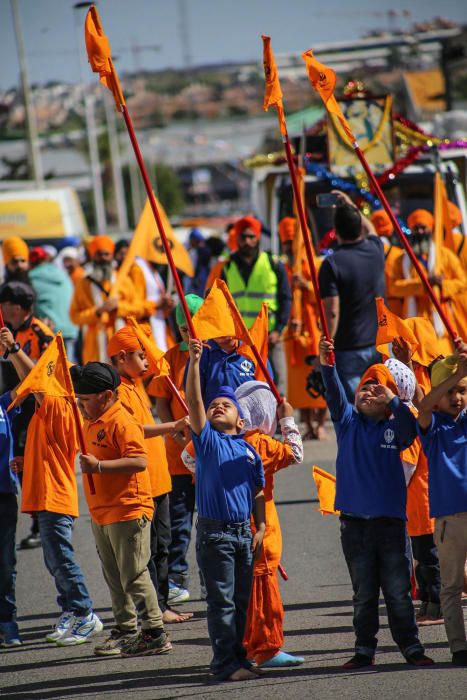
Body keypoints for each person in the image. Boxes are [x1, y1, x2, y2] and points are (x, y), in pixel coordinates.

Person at [319, 335, 434, 668]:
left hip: (391, 524)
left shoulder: (395, 426)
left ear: (388, 399)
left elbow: (412, 429)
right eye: (364, 387)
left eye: (376, 389)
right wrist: (328, 365)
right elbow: (335, 392)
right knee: (364, 593)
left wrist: (395, 401)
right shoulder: (347, 422)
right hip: (354, 525)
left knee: (398, 592)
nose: (367, 391)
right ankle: (364, 649)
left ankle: (411, 647)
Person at [1, 327, 102, 646]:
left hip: (55, 496)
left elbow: (36, 381)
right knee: (53, 559)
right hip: (46, 494)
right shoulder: (51, 408)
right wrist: (25, 461)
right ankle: (72, 610)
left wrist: (14, 349)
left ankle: (85, 612)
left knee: (62, 558)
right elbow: (46, 447)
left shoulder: (60, 405)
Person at [71, 361, 170, 657]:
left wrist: (99, 467)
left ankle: (154, 631)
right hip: (102, 511)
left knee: (134, 574)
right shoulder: (89, 420)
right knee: (114, 576)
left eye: (85, 400)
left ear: (107, 395)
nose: (80, 404)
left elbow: (139, 461)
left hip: (128, 509)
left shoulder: (120, 421)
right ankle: (126, 629)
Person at [186, 339, 266, 681]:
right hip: (215, 533)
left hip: (243, 534)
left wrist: (260, 527)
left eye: (226, 405)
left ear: (241, 420)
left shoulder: (250, 452)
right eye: (214, 404)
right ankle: (224, 665)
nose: (218, 407)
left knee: (241, 602)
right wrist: (194, 364)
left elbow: (258, 492)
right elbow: (194, 402)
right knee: (222, 603)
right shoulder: (207, 441)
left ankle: (239, 656)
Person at [107, 326, 192, 624]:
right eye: (140, 356)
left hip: (160, 479)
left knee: (163, 546)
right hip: (144, 485)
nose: (146, 362)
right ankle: (156, 609)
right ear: (121, 358)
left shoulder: (135, 383)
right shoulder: (117, 389)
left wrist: (142, 335)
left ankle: (163, 603)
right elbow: (135, 430)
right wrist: (172, 426)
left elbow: (157, 365)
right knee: (153, 550)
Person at [148, 294, 204, 605]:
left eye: (194, 326)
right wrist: (179, 438)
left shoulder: (214, 356)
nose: (189, 333)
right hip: (180, 457)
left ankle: (211, 578)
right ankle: (177, 578)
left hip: (213, 456)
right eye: (183, 328)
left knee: (212, 522)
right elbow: (161, 403)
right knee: (179, 522)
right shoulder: (169, 359)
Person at [416, 348, 467, 666]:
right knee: (450, 585)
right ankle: (459, 647)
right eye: (448, 391)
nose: (457, 397)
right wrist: (458, 373)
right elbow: (421, 405)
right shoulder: (433, 426)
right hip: (449, 517)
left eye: (462, 391)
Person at [207, 215, 292, 395]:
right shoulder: (227, 266)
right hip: (240, 338)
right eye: (243, 237)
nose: (247, 241)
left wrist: (279, 329)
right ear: (236, 238)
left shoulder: (273, 263)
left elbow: (286, 298)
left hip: (270, 336)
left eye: (251, 236)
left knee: (277, 382)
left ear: (258, 237)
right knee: (245, 382)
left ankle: (279, 420)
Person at [0, 280, 54, 549]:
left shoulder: (39, 333)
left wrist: (14, 350)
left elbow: (44, 375)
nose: (2, 309)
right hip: (14, 406)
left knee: (30, 464)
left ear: (17, 307)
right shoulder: (9, 331)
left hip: (35, 408)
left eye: (5, 304)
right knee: (20, 464)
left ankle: (41, 522)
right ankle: (38, 518)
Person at [318, 192, 385, 402]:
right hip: (378, 342)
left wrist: (328, 341)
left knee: (358, 407)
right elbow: (372, 230)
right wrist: (350, 205)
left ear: (335, 231)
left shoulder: (331, 264)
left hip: (348, 347)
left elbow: (332, 311)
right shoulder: (376, 249)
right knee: (380, 404)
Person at [386, 209, 467, 355]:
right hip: (414, 322)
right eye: (416, 228)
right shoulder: (401, 259)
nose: (420, 231)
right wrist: (422, 285)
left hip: (441, 322)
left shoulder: (444, 255)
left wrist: (442, 284)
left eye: (424, 227)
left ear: (430, 229)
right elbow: (394, 288)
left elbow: (462, 282)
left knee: (444, 365)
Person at [0, 326, 35, 647]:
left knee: (5, 563)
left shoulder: (3, 405)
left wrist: (13, 350)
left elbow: (35, 384)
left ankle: (7, 622)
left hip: (3, 495)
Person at [279, 216, 327, 440]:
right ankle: (308, 424)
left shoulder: (317, 265)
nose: (289, 248)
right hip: (293, 333)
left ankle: (320, 424)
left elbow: (327, 296)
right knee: (299, 383)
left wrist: (306, 285)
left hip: (316, 329)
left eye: (293, 244)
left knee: (321, 377)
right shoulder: (282, 267)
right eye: (286, 243)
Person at [69, 235, 142, 363]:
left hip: (123, 340)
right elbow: (74, 316)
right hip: (95, 345)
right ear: (92, 256)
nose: (102, 258)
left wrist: (119, 307)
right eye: (98, 254)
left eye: (106, 254)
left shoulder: (123, 280)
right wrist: (97, 311)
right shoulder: (83, 284)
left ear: (112, 256)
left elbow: (139, 309)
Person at [28, 246, 78, 359]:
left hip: (49, 331)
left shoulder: (30, 278)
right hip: (70, 328)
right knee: (69, 371)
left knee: (51, 372)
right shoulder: (63, 275)